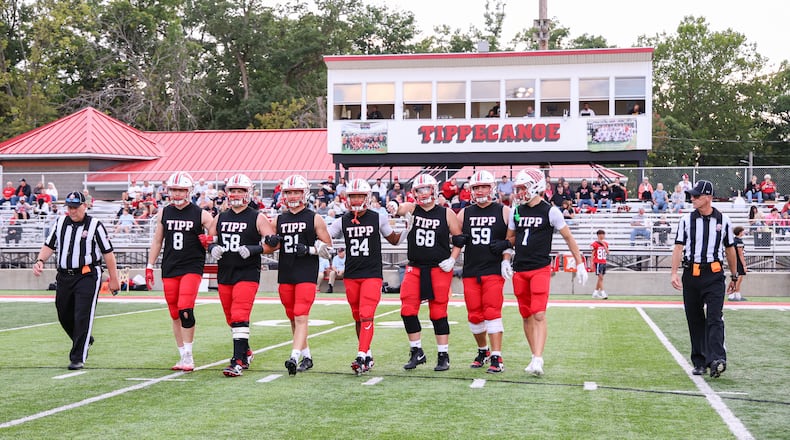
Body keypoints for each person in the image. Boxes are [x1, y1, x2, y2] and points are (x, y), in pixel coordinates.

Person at [506, 168, 588, 376]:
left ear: (535, 186)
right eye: (518, 188)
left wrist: (579, 262)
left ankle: (539, 358)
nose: (519, 192)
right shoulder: (517, 210)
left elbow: (568, 237)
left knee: (539, 313)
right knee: (525, 315)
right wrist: (505, 260)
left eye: (523, 188)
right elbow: (510, 239)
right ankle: (534, 355)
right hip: (519, 269)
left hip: (540, 268)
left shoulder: (550, 211)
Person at [32, 190, 120, 370]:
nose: (72, 211)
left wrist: (114, 279)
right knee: (63, 313)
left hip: (87, 275)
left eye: (75, 207)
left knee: (82, 315)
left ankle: (77, 357)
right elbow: (49, 245)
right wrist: (40, 260)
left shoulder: (95, 225)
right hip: (64, 275)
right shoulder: (60, 222)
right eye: (69, 207)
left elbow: (108, 254)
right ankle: (84, 339)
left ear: (84, 206)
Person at [326, 178, 403, 374]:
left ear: (367, 197)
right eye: (353, 195)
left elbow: (393, 240)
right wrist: (318, 245)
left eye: (360, 195)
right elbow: (326, 236)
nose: (357, 199)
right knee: (358, 317)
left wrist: (407, 230)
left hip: (371, 273)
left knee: (366, 314)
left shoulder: (377, 217)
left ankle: (360, 355)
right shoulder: (342, 220)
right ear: (347, 198)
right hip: (352, 274)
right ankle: (367, 354)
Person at [208, 174, 277, 377]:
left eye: (240, 190)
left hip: (247, 272)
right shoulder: (221, 216)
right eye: (233, 190)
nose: (236, 194)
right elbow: (209, 239)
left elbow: (273, 243)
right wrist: (212, 247)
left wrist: (255, 249)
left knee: (239, 314)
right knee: (231, 317)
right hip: (225, 271)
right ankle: (245, 351)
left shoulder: (257, 216)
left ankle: (237, 361)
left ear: (248, 193)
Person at [146, 172, 215, 372]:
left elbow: (216, 231)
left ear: (189, 191)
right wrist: (150, 265)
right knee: (175, 312)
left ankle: (189, 355)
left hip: (191, 266)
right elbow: (158, 241)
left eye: (180, 190)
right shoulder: (164, 213)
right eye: (174, 189)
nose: (176, 193)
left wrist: (209, 239)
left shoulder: (200, 213)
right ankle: (182, 355)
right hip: (170, 266)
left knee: (185, 308)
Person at [395, 174, 463, 372]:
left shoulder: (446, 213)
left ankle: (443, 354)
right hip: (414, 266)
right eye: (419, 190)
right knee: (407, 310)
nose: (423, 193)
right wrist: (392, 205)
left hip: (438, 268)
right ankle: (417, 351)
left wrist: (452, 259)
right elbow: (399, 208)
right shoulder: (412, 209)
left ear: (434, 190)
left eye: (426, 189)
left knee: (438, 312)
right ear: (414, 193)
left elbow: (459, 239)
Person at [670, 180, 737, 378]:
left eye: (697, 196)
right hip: (691, 274)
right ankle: (699, 361)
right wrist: (673, 272)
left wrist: (734, 275)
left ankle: (717, 359)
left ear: (708, 197)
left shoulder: (723, 220)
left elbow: (730, 249)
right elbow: (678, 247)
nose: (693, 198)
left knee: (715, 317)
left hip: (714, 274)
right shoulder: (685, 220)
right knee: (695, 319)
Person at [273, 174, 333, 376]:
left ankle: (294, 356)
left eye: (296, 191)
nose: (292, 196)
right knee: (292, 317)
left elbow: (328, 248)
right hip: (286, 272)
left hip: (306, 272)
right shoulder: (279, 219)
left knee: (300, 315)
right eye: (289, 192)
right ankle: (307, 356)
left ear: (304, 193)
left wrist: (310, 250)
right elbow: (271, 244)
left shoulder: (313, 217)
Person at [456, 170, 512, 373]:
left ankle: (497, 356)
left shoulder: (504, 211)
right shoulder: (464, 213)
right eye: (476, 187)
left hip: (493, 269)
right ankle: (483, 351)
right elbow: (454, 237)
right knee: (474, 315)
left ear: (492, 188)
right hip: (471, 269)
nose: (480, 191)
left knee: (492, 311)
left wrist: (506, 254)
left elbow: (513, 237)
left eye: (484, 187)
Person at [728, 226, 748, 301]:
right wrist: (744, 265)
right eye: (742, 231)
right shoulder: (739, 242)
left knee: (736, 277)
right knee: (738, 278)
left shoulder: (734, 240)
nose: (744, 232)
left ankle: (736, 294)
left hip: (735, 260)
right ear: (740, 232)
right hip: (738, 261)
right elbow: (740, 254)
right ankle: (733, 294)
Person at [590, 229, 609, 299]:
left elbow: (608, 252)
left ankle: (595, 292)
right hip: (598, 262)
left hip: (603, 262)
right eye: (601, 234)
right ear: (598, 235)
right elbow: (592, 254)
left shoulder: (606, 243)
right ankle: (603, 292)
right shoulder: (595, 243)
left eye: (603, 234)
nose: (602, 236)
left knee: (600, 279)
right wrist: (591, 263)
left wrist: (603, 244)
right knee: (600, 277)